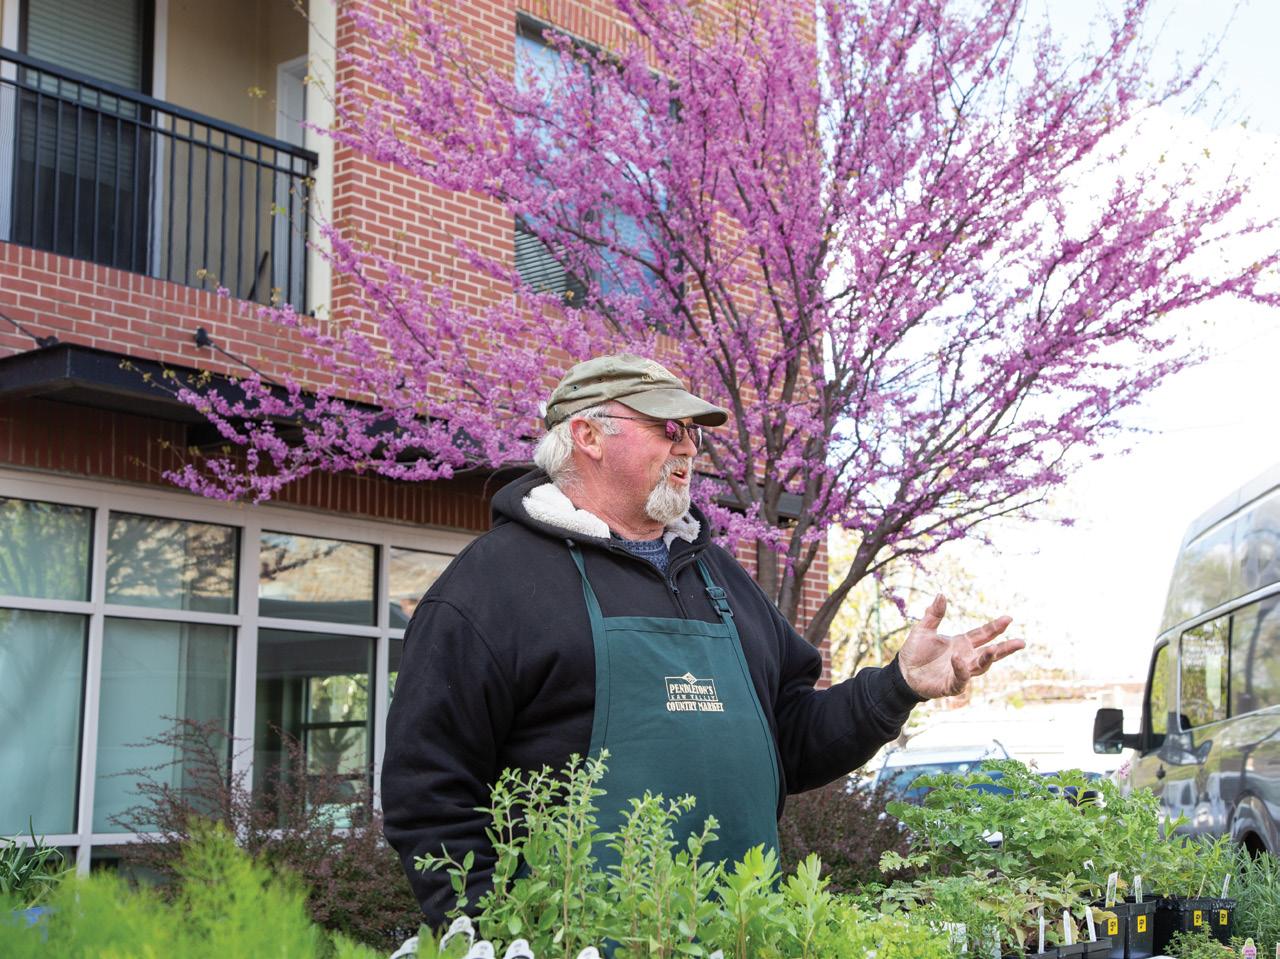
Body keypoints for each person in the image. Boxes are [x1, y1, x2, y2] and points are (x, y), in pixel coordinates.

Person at [382, 353, 1023, 925]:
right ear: (587, 436)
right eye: (668, 428)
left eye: (693, 432)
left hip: (745, 934)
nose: (688, 447)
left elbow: (791, 739)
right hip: (571, 941)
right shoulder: (488, 589)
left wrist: (899, 685)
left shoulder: (719, 577)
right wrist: (490, 932)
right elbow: (429, 791)